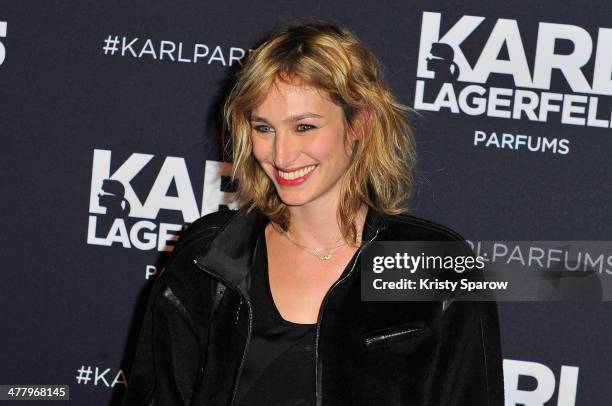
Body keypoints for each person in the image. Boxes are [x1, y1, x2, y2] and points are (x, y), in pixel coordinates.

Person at [122, 20, 504, 406]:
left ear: (360, 123)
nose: (282, 155)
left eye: (304, 127)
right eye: (264, 128)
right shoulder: (211, 257)